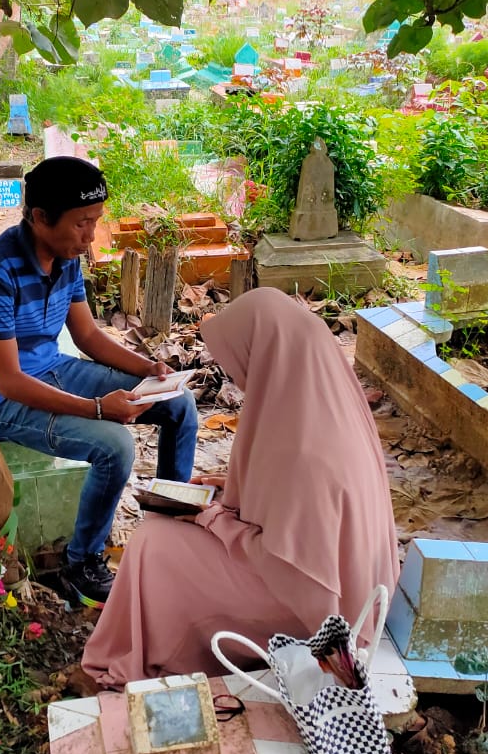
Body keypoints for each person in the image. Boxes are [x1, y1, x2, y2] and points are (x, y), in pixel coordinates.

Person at [81, 287, 399, 689]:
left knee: (154, 544)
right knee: (172, 530)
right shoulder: (321, 401)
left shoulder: (303, 451)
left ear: (266, 355)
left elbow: (291, 569)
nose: (235, 377)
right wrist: (234, 487)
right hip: (339, 582)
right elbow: (293, 505)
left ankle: (155, 652)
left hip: (314, 613)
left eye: (238, 363)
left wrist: (213, 517)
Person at [0, 156, 199, 609]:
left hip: (53, 367)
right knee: (115, 445)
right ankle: (81, 564)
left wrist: (148, 369)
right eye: (82, 223)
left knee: (178, 404)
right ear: (41, 218)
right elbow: (8, 382)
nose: (90, 237)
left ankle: (169, 523)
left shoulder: (64, 259)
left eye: (96, 222)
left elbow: (86, 336)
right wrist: (100, 409)